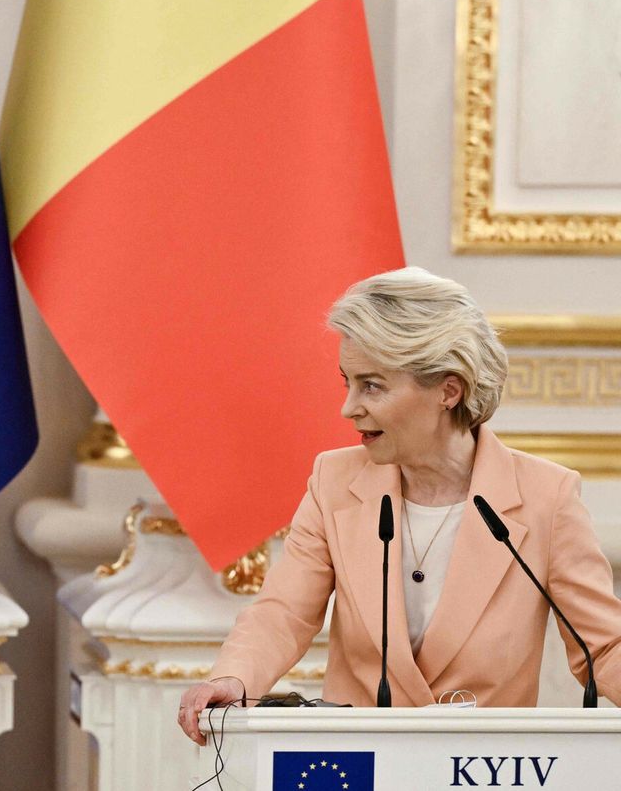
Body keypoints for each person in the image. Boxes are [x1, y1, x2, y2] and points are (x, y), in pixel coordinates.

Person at [177, 267, 621, 744]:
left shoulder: (545, 497)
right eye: (348, 382)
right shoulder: (333, 482)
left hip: (482, 770)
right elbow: (283, 613)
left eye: (372, 385)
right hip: (359, 765)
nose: (349, 407)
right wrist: (235, 677)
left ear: (448, 391)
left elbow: (605, 646)